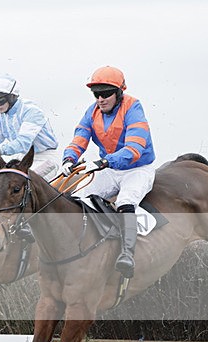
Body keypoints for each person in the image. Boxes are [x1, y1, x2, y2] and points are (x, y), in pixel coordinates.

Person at [62, 66, 155, 278]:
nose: (101, 99)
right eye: (97, 94)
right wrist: (69, 158)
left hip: (137, 169)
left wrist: (105, 161)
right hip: (110, 168)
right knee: (77, 199)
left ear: (119, 93)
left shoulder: (133, 107)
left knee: (125, 201)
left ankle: (127, 255)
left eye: (106, 94)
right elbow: (81, 136)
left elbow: (134, 148)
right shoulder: (92, 111)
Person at [0, 74, 60, 181]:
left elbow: (23, 143)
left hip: (45, 158)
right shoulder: (0, 116)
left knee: (18, 182)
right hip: (22, 158)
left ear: (12, 96)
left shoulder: (31, 111)